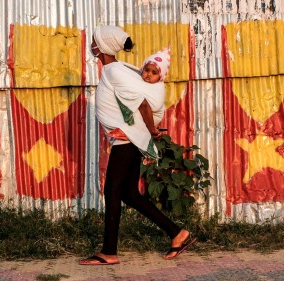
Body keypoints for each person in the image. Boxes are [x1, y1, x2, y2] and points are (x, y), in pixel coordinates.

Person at [79, 26, 195, 265]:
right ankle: (176, 233)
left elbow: (142, 103)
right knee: (130, 194)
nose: (91, 45)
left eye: (94, 41)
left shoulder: (113, 70)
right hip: (126, 138)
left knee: (112, 191)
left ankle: (109, 251)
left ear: (102, 47)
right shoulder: (120, 69)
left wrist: (153, 132)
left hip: (126, 140)